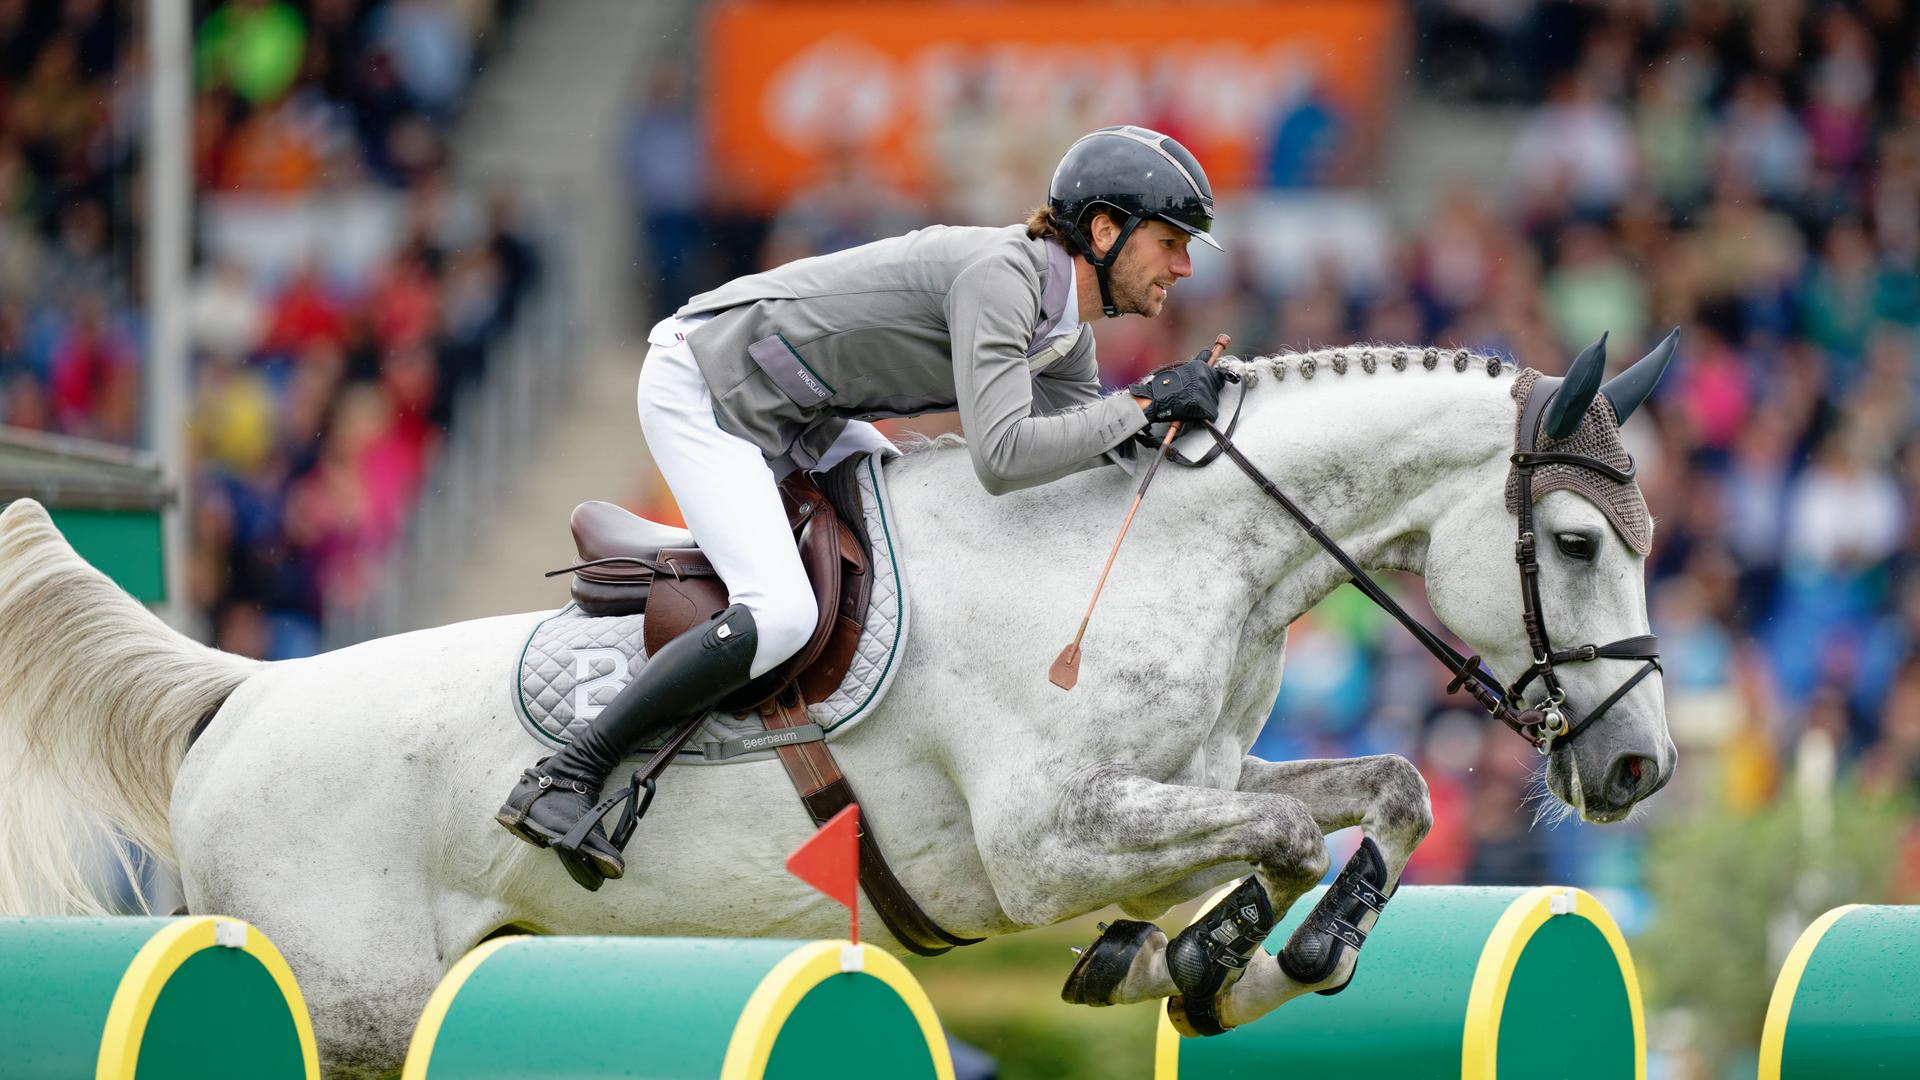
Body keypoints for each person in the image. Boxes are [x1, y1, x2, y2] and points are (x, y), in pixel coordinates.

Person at [496, 124, 1233, 888]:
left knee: (917, 523)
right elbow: (1006, 457)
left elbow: (1084, 456)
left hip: (802, 412)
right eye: (1171, 241)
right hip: (711, 387)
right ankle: (570, 771)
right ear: (1106, 230)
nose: (1182, 266)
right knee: (781, 612)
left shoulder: (1064, 335)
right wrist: (1142, 401)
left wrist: (1172, 418)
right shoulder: (1003, 275)